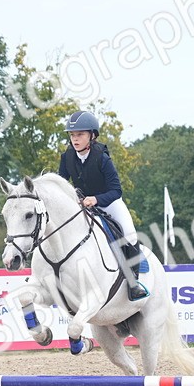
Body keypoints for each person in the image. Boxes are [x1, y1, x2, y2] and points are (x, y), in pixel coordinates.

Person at [58, 110, 148, 301]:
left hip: (108, 203)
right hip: (82, 205)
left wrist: (96, 199)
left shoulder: (102, 158)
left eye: (80, 134)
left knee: (130, 233)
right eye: (72, 135)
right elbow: (61, 185)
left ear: (92, 136)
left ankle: (134, 283)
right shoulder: (67, 158)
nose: (75, 139)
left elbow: (116, 191)